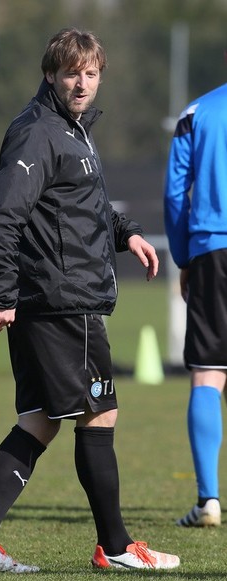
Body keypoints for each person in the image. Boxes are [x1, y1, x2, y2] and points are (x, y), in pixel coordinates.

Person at [0, 28, 181, 572]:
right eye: (72, 72)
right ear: (51, 74)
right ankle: (117, 548)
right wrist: (2, 294)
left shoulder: (71, 130)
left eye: (92, 73)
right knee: (99, 414)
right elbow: (5, 218)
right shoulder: (38, 133)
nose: (82, 83)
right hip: (59, 300)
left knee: (40, 418)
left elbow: (82, 203)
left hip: (56, 297)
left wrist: (126, 233)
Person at [164, 74, 227, 527]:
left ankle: (208, 500)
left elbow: (174, 193)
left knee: (209, 373)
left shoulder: (197, 112)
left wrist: (184, 255)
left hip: (212, 251)